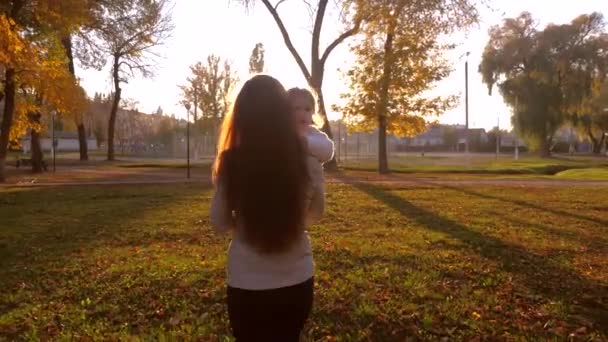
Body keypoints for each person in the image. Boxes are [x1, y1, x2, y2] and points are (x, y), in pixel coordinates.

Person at [210, 75, 327, 341]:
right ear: (283, 114)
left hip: (247, 282)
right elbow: (317, 213)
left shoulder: (231, 162)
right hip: (297, 278)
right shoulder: (309, 159)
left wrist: (244, 221)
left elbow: (218, 223)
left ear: (241, 116)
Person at [287, 87, 334, 165]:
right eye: (297, 108)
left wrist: (306, 143)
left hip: (312, 176)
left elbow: (328, 150)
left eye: (307, 109)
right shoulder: (284, 133)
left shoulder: (313, 132)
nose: (302, 114)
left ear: (313, 112)